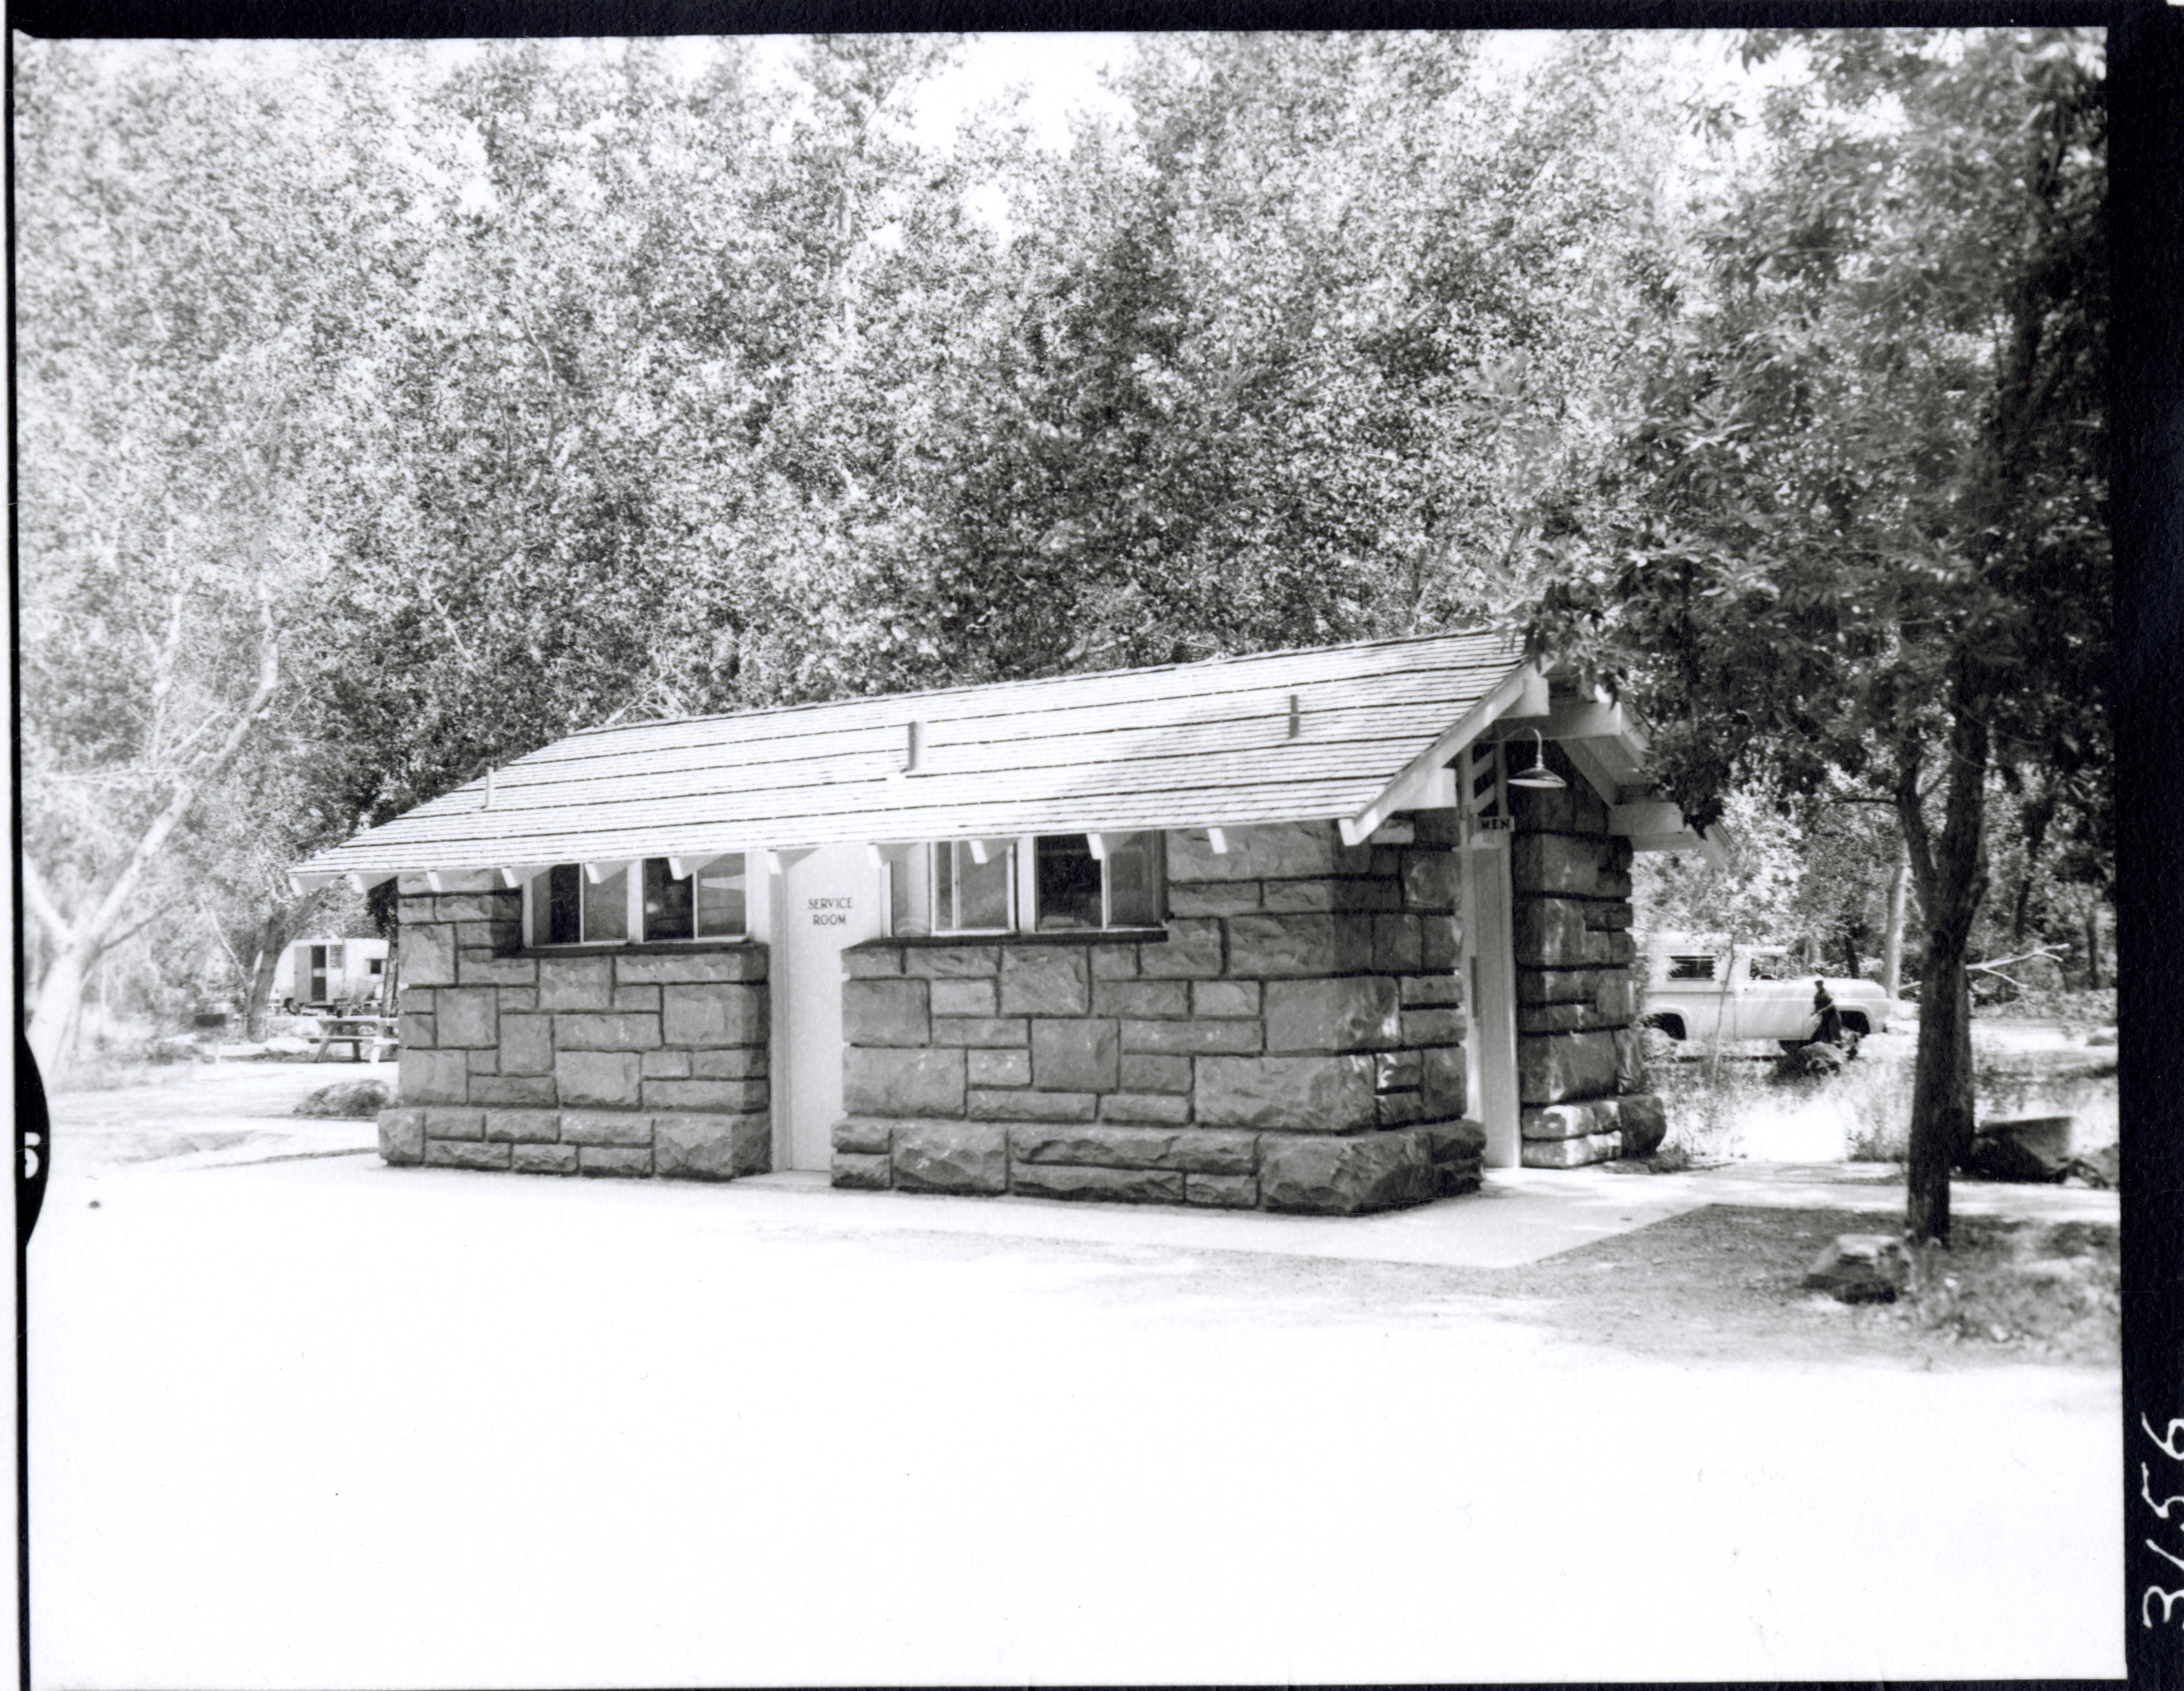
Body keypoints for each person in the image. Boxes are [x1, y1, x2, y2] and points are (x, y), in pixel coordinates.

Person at [1812, 979, 1842, 1046]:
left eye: (1819, 985)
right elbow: (1816, 1004)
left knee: (1835, 1034)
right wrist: (1815, 1011)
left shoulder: (1826, 993)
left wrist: (1823, 1010)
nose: (1818, 986)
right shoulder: (1817, 995)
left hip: (1833, 1016)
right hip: (1825, 1017)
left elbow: (1833, 1004)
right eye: (1817, 985)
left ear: (1822, 985)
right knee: (1824, 1034)